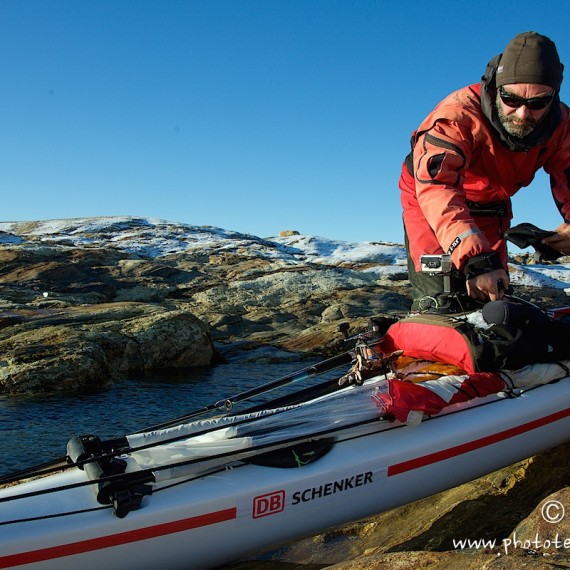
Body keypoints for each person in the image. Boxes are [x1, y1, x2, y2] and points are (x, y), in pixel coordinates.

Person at [399, 31, 570, 311]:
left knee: (494, 297)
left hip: (492, 202)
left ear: (553, 97)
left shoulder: (561, 125)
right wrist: (476, 259)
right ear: (496, 88)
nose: (523, 114)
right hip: (430, 199)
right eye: (512, 100)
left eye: (538, 103)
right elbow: (437, 187)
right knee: (442, 300)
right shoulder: (456, 117)